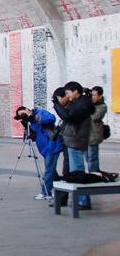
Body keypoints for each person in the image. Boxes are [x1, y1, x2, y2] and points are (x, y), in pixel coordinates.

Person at [53, 81, 94, 210]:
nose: (67, 95)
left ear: (75, 91)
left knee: (77, 170)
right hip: (72, 139)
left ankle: (83, 201)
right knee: (73, 171)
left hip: (76, 140)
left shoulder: (83, 103)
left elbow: (68, 117)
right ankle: (79, 199)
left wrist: (56, 105)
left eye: (68, 92)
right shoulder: (78, 102)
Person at [14, 105, 63, 201]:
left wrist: (34, 118)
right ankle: (60, 189)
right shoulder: (30, 121)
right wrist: (27, 124)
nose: (23, 116)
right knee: (52, 171)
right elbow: (34, 134)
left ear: (27, 109)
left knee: (49, 170)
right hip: (44, 148)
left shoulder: (40, 112)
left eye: (23, 114)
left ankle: (45, 192)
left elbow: (51, 119)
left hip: (51, 146)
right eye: (21, 116)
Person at [89, 86, 107, 172]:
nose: (92, 97)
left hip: (94, 135)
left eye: (94, 95)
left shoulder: (102, 106)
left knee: (92, 156)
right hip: (84, 134)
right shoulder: (89, 103)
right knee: (88, 157)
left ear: (100, 96)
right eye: (91, 95)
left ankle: (94, 173)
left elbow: (95, 117)